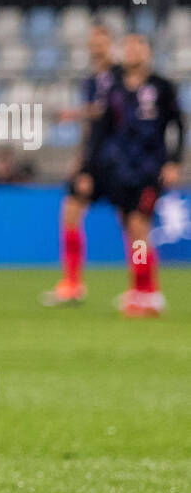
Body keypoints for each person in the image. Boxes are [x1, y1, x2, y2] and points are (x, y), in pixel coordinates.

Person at [98, 34, 183, 316]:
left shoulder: (162, 87)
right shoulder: (115, 88)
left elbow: (178, 125)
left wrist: (174, 161)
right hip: (121, 169)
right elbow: (105, 128)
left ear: (148, 53)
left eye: (138, 47)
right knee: (130, 230)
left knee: (138, 226)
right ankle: (141, 288)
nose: (133, 52)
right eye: (129, 48)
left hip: (150, 168)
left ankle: (147, 292)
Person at [40, 24, 124, 306]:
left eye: (102, 42)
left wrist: (75, 113)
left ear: (111, 45)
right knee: (71, 212)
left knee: (133, 224)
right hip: (95, 159)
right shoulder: (90, 82)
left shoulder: (121, 77)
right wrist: (80, 159)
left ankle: (142, 286)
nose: (97, 47)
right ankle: (72, 283)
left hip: (122, 160)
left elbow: (107, 112)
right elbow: (91, 126)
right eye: (93, 42)